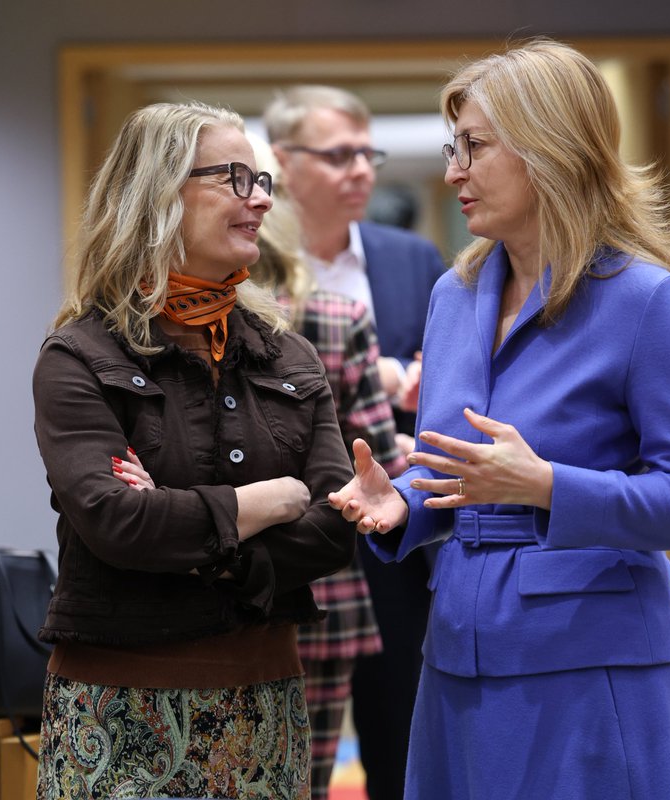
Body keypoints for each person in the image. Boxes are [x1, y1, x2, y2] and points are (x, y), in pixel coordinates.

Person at [328, 39, 670, 800]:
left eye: (474, 147)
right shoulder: (453, 297)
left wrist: (546, 485)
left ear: (549, 149)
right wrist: (404, 503)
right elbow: (464, 473)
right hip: (459, 659)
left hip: (595, 668)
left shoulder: (646, 300)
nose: (454, 173)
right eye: (452, 149)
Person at [31, 101, 355, 800]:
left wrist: (194, 531)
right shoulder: (79, 355)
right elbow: (118, 522)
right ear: (158, 194)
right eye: (234, 178)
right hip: (117, 715)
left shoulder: (288, 355)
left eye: (261, 180)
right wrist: (263, 503)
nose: (261, 199)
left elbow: (334, 525)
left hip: (266, 709)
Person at [264, 86, 444, 800]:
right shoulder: (253, 265)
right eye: (339, 155)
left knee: (403, 740)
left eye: (368, 154)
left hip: (397, 532)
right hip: (300, 533)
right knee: (293, 758)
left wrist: (421, 385)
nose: (361, 170)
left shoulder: (413, 259)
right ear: (283, 161)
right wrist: (384, 377)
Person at [246, 133, 407, 800]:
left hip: (210, 581)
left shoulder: (183, 326)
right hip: (327, 589)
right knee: (305, 782)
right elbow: (379, 466)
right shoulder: (338, 319)